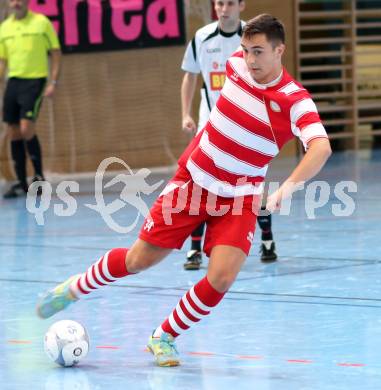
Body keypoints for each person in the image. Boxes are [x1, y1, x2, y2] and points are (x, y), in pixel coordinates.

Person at [36, 14, 332, 368]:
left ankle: (164, 336)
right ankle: (73, 288)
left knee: (221, 278)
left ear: (279, 50)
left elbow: (321, 147)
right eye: (245, 50)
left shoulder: (295, 100)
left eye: (258, 52)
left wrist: (285, 189)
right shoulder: (235, 65)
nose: (249, 59)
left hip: (239, 197)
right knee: (138, 261)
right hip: (193, 182)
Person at [181, 0, 276, 270]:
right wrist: (185, 114)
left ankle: (267, 239)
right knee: (199, 185)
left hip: (245, 128)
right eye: (219, 3)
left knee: (250, 186)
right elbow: (190, 76)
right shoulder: (202, 37)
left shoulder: (254, 38)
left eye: (230, 3)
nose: (224, 8)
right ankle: (194, 249)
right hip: (210, 126)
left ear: (241, 5)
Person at [0, 0, 61, 198]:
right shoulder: (5, 28)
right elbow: (3, 61)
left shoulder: (41, 22)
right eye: (12, 0)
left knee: (27, 128)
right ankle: (20, 182)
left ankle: (38, 177)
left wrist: (53, 82)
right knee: (14, 132)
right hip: (14, 82)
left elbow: (56, 52)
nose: (16, 3)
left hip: (35, 81)